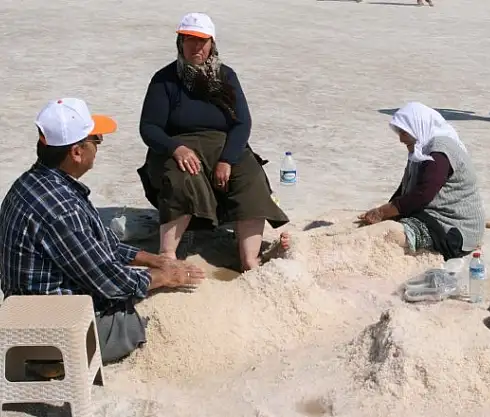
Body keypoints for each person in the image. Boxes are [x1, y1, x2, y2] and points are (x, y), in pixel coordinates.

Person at [0, 98, 206, 365]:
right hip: (53, 332)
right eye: (96, 140)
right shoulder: (62, 210)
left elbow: (104, 244)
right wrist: (168, 276)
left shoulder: (32, 182)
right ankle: (51, 364)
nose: (98, 147)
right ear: (77, 152)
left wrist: (156, 260)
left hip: (30, 311)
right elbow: (111, 283)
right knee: (157, 317)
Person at [137, 12, 289, 272]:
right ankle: (167, 255)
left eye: (202, 41)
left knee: (250, 177)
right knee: (182, 178)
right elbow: (149, 128)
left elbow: (242, 123)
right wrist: (176, 148)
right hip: (178, 147)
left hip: (222, 145)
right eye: (190, 40)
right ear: (180, 43)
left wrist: (227, 159)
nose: (196, 47)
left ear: (212, 44)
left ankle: (249, 259)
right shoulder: (164, 80)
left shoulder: (226, 76)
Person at [358, 102, 485, 261]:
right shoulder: (421, 149)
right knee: (385, 225)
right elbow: (405, 191)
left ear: (418, 127)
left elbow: (423, 194)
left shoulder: (439, 151)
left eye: (404, 132)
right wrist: (386, 212)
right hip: (431, 216)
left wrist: (382, 212)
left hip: (453, 227)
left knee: (390, 235)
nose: (401, 139)